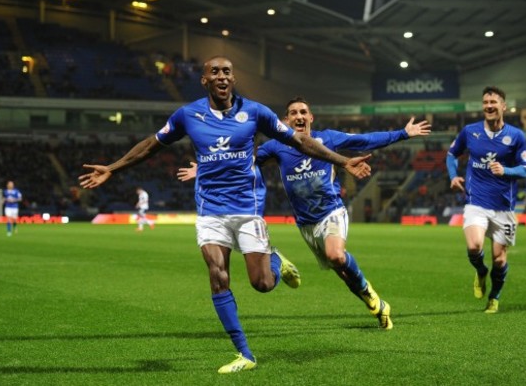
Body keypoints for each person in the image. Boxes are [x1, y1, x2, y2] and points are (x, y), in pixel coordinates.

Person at [78, 56, 372, 374]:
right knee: (218, 276)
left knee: (262, 283)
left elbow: (299, 140)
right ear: (204, 80)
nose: (222, 76)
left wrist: (342, 162)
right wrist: (112, 167)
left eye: (227, 72)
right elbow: (152, 145)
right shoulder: (188, 115)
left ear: (233, 79)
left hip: (247, 209)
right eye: (215, 72)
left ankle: (276, 261)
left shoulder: (256, 113)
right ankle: (244, 353)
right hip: (209, 210)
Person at [179, 96, 431, 330]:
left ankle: (370, 294)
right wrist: (203, 169)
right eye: (293, 113)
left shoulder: (328, 140)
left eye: (303, 112)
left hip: (331, 212)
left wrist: (403, 134)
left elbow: (364, 140)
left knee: (337, 255)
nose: (298, 116)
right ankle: (376, 304)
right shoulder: (277, 147)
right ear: (285, 121)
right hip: (306, 224)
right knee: (340, 270)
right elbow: (239, 160)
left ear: (311, 118)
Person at [446, 86, 526, 314]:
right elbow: (452, 154)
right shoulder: (469, 132)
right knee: (474, 247)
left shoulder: (516, 136)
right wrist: (453, 176)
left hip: (504, 207)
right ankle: (481, 271)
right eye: (485, 102)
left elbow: (524, 171)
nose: (489, 106)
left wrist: (505, 170)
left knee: (500, 261)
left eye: (493, 102)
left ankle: (494, 296)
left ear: (503, 106)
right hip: (476, 202)